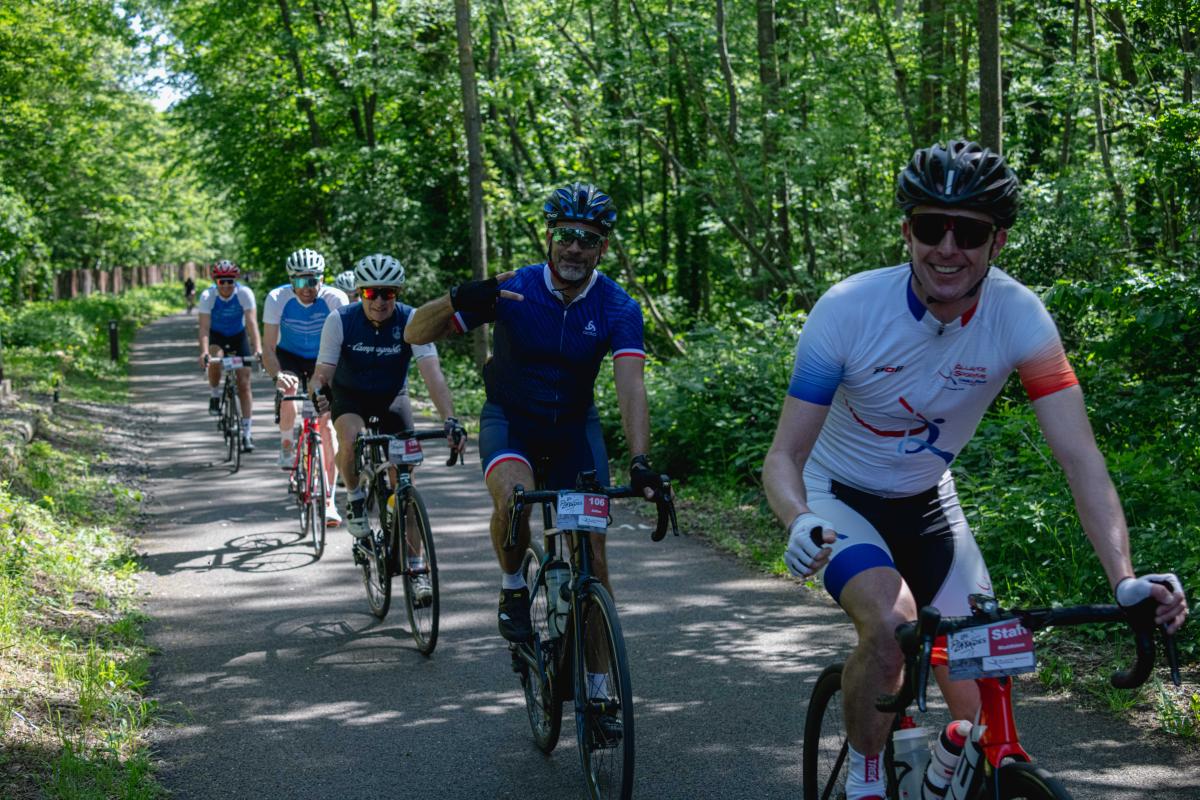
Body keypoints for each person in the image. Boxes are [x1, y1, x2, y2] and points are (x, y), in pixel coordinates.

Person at [761, 140, 1189, 800]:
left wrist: (1124, 578)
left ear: (998, 242)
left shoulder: (1019, 317)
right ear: (907, 232)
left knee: (983, 712)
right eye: (932, 226)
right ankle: (866, 774)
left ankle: (943, 771)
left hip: (931, 504)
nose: (948, 248)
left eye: (969, 232)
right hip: (839, 497)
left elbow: (1081, 459)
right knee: (890, 626)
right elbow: (784, 456)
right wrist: (798, 517)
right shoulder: (848, 309)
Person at [405, 181, 664, 648]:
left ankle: (599, 684)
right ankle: (513, 587)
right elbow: (413, 333)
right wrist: (456, 298)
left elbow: (631, 385)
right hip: (511, 423)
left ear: (603, 248)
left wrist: (640, 459)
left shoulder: (619, 306)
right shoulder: (513, 289)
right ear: (549, 237)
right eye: (566, 234)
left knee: (594, 560)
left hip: (573, 431)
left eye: (587, 239)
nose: (574, 248)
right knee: (513, 499)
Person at [310, 254, 466, 602]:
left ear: (397, 293)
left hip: (393, 399)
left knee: (405, 485)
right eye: (371, 293)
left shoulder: (412, 320)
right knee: (350, 437)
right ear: (360, 292)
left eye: (388, 293)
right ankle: (354, 497)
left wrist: (449, 419)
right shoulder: (340, 320)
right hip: (350, 397)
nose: (380, 301)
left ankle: (417, 568)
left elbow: (433, 375)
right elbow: (323, 373)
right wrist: (319, 392)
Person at [262, 248, 348, 525]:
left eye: (313, 280)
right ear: (291, 281)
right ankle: (287, 444)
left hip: (323, 358)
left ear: (322, 279)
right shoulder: (277, 298)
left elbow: (344, 346)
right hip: (289, 356)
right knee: (289, 390)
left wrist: (333, 382)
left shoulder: (336, 298)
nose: (307, 287)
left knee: (327, 425)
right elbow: (267, 348)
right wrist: (277, 376)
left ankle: (330, 502)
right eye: (300, 281)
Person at [196, 260, 261, 451]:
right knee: (215, 359)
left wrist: (258, 349)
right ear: (215, 281)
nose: (226, 285)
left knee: (244, 384)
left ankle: (247, 433)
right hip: (216, 336)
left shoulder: (244, 294)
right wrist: (204, 352)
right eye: (221, 281)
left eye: (230, 281)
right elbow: (204, 327)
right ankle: (215, 394)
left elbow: (252, 324)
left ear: (235, 281)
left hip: (238, 336)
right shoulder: (207, 296)